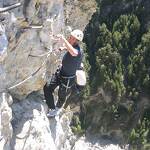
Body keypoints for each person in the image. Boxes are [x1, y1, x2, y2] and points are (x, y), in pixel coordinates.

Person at [43, 29, 84, 117]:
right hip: (60, 73)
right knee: (47, 88)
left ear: (75, 40)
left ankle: (56, 109)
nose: (69, 38)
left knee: (62, 96)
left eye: (71, 38)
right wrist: (64, 48)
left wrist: (63, 39)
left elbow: (73, 52)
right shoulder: (74, 47)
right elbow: (71, 49)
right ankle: (52, 107)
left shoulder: (78, 51)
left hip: (68, 79)